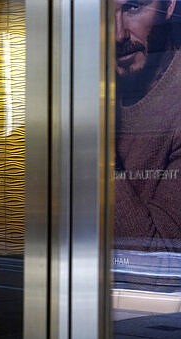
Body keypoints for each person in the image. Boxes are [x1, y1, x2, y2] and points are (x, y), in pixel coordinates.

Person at [114, 0, 181, 251]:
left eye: (133, 7)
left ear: (170, 5)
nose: (118, 34)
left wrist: (94, 148)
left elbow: (158, 267)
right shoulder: (94, 81)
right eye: (102, 15)